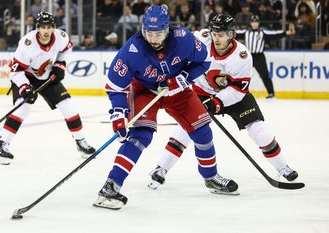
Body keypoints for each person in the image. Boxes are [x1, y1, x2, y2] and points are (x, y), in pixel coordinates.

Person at [93, 5, 239, 210]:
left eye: (158, 33)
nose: (153, 38)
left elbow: (204, 60)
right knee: (140, 136)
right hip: (144, 90)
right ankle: (111, 187)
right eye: (149, 33)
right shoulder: (132, 49)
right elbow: (115, 87)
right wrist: (118, 114)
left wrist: (183, 78)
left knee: (203, 132)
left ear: (167, 29)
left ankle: (211, 177)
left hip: (176, 90)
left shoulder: (183, 38)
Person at [148, 14, 299, 190]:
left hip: (234, 96)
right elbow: (177, 39)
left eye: (221, 34)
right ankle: (161, 169)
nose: (216, 38)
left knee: (259, 130)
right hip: (201, 93)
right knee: (185, 128)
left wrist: (217, 102)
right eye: (214, 33)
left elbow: (238, 90)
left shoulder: (242, 56)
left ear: (232, 34)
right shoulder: (202, 39)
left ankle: (282, 167)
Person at [0, 11, 95, 165]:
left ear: (53, 27)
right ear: (37, 28)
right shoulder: (27, 44)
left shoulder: (61, 37)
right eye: (42, 27)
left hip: (46, 76)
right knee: (23, 109)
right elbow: (15, 72)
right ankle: (2, 146)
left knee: (68, 106)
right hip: (25, 77)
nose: (46, 31)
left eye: (49, 27)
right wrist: (24, 87)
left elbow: (66, 49)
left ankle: (81, 142)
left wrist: (60, 64)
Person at [236, 14, 295, 99]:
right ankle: (239, 92)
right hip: (248, 57)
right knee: (241, 75)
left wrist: (286, 33)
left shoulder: (263, 32)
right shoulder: (246, 32)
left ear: (259, 23)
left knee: (265, 75)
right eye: (253, 22)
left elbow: (275, 34)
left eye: (256, 22)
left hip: (259, 56)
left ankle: (271, 93)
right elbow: (234, 33)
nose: (254, 24)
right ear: (250, 23)